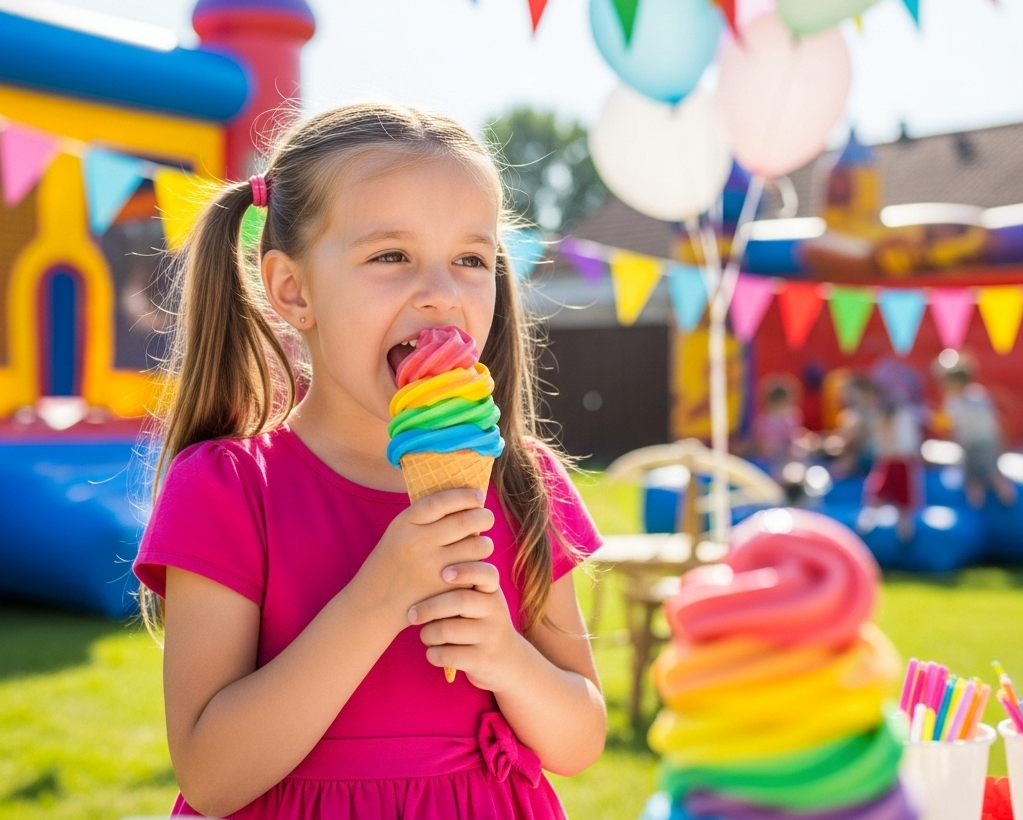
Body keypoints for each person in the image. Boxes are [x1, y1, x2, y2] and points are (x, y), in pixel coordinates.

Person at [132, 104, 607, 820]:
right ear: (293, 290)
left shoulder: (522, 484)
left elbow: (579, 739)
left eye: (470, 259)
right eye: (391, 256)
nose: (441, 292)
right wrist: (377, 598)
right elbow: (209, 774)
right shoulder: (231, 488)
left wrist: (507, 659)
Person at [935, 355, 1017, 509]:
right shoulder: (951, 401)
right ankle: (976, 509)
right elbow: (951, 423)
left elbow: (987, 420)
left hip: (984, 442)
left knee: (991, 471)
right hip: (967, 443)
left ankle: (1010, 500)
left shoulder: (975, 396)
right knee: (971, 476)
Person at [863, 382, 922, 543]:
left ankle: (905, 534)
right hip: (890, 459)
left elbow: (901, 443)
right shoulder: (889, 416)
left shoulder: (899, 415)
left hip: (900, 460)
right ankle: (870, 524)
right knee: (877, 493)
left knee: (902, 501)